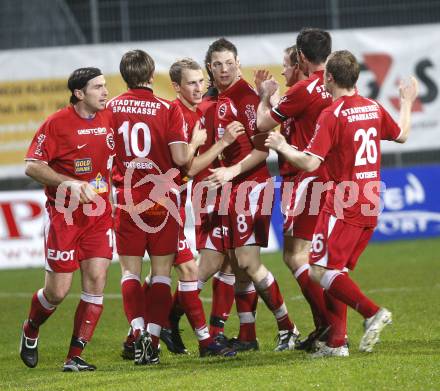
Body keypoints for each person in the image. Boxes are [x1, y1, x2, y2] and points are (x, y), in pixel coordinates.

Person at [265, 50, 418, 357]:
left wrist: (282, 146)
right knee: (335, 273)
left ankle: (372, 313)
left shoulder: (333, 114)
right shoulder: (372, 107)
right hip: (371, 202)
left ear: (329, 77)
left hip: (343, 202)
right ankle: (336, 344)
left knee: (321, 271)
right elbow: (401, 135)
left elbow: (309, 163)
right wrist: (407, 101)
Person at [206, 37, 300, 351]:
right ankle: (248, 335)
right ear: (210, 67)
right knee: (236, 261)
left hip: (251, 187)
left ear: (238, 65)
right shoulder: (221, 98)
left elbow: (263, 149)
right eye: (217, 64)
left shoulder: (244, 97)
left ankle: (288, 327)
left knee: (247, 261)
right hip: (235, 188)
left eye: (229, 63)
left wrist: (232, 172)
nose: (223, 69)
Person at [20, 68, 114, 372]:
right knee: (57, 292)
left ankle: (74, 356)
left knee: (97, 281)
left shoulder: (109, 117)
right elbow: (32, 166)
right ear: (78, 93)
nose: (105, 92)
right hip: (64, 217)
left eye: (105, 86)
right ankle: (31, 328)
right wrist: (67, 182)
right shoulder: (57, 124)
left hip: (99, 215)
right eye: (98, 87)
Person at [109, 49, 191, 365]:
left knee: (130, 272)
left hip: (127, 198)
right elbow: (182, 159)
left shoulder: (111, 108)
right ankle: (154, 341)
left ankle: (138, 330)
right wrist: (194, 143)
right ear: (152, 75)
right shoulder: (168, 108)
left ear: (124, 76)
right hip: (162, 199)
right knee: (160, 276)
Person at [154, 57, 239, 357]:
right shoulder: (177, 113)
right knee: (193, 269)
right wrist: (222, 143)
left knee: (189, 269)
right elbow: (187, 167)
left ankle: (156, 332)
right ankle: (202, 338)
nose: (199, 87)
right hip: (163, 203)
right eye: (192, 82)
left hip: (176, 199)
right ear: (176, 86)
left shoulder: (194, 111)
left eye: (201, 81)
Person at [256, 28, 334, 350]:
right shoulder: (330, 84)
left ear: (301, 59)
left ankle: (328, 326)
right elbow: (293, 109)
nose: (284, 70)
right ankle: (325, 326)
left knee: (295, 256)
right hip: (324, 177)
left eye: (287, 64)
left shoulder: (302, 89)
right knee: (305, 257)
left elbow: (262, 126)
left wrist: (264, 97)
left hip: (303, 180)